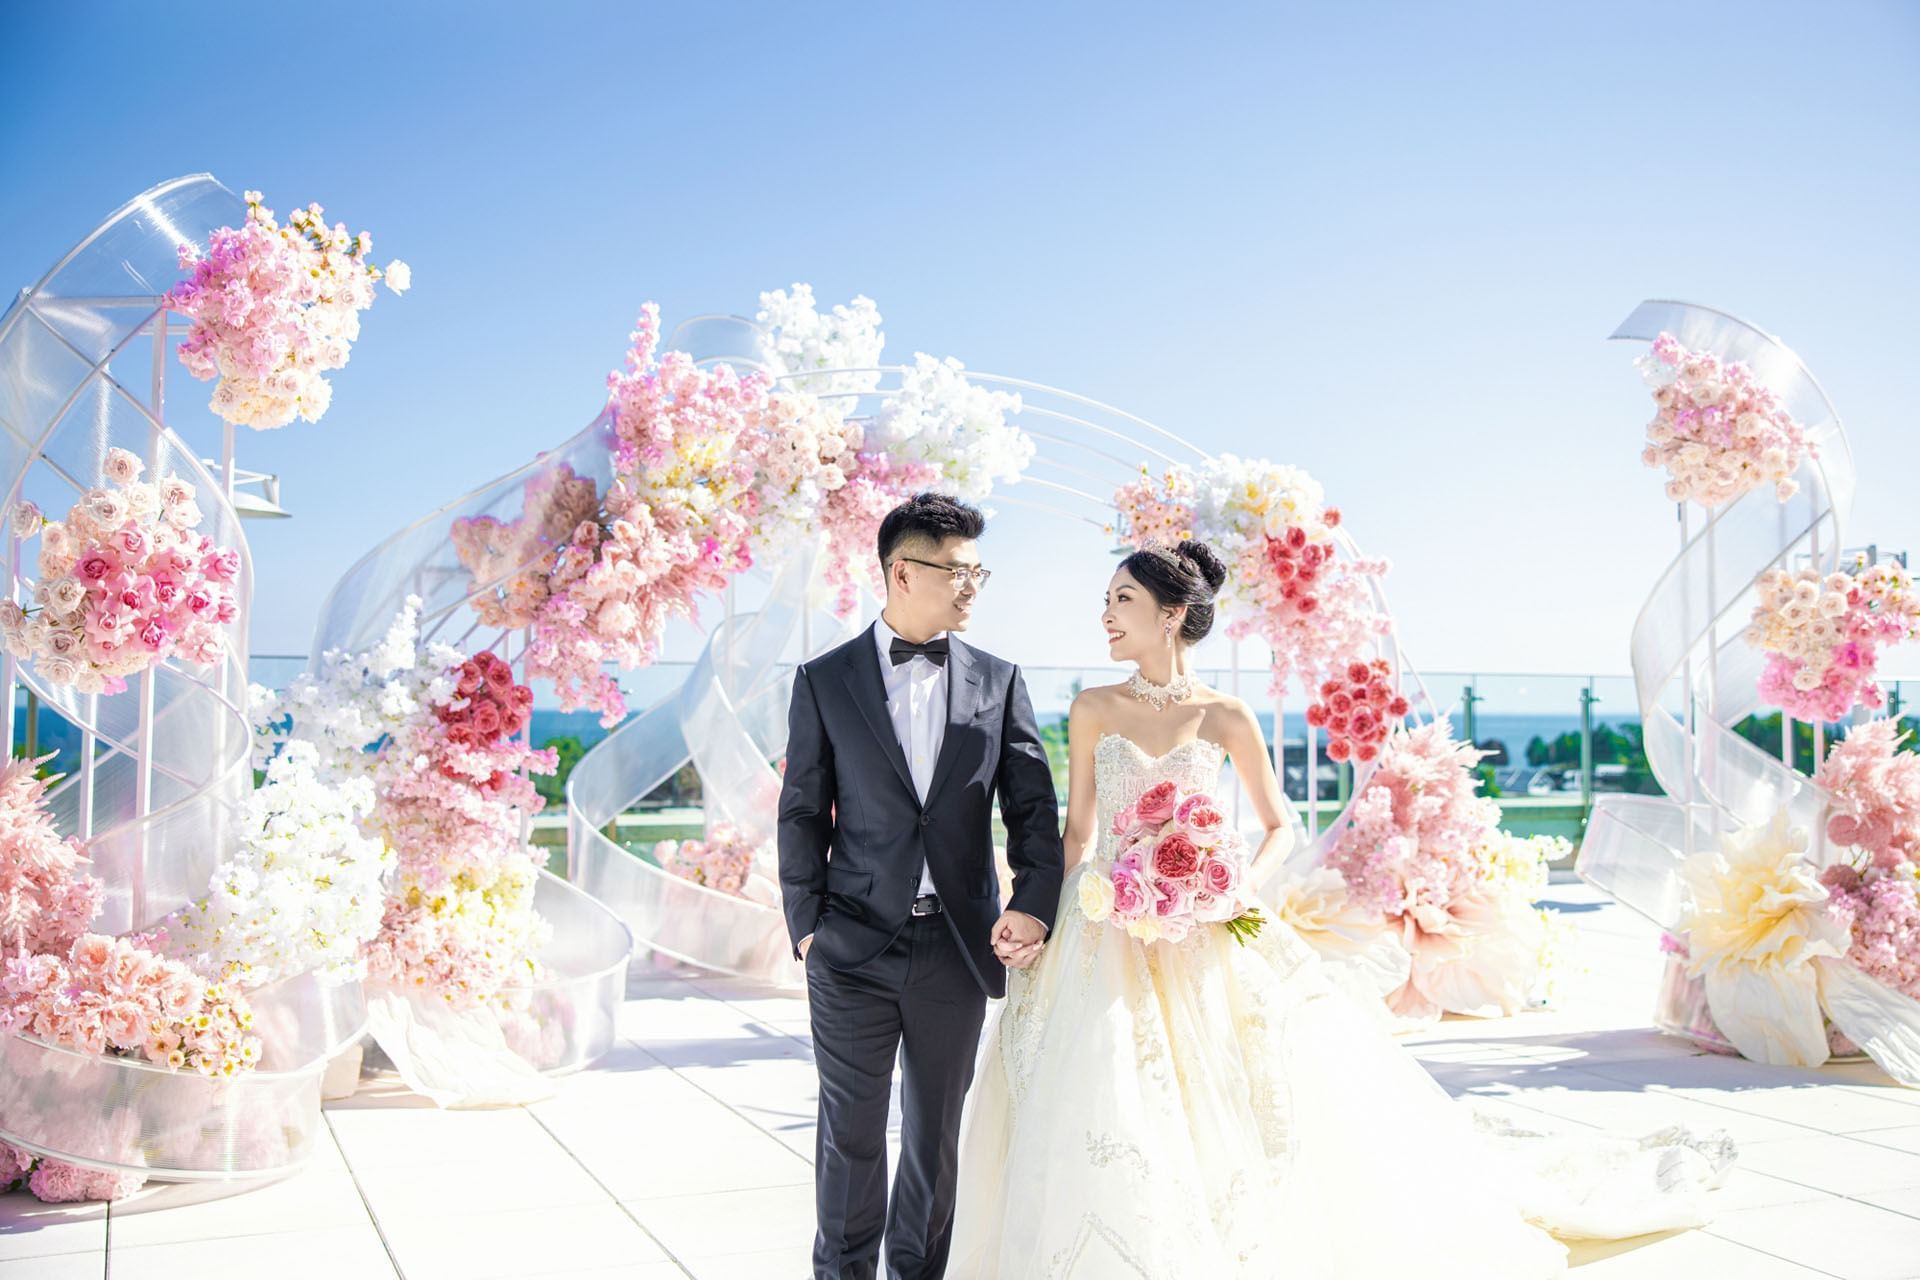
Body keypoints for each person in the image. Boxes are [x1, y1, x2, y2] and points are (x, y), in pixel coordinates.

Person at [948, 539, 1733, 1278]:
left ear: (1172, 614)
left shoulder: (1225, 716)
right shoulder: (1093, 707)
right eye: (1107, 600)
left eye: (1121, 599)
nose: (1106, 615)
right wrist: (1045, 913)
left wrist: (1233, 884)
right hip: (1110, 921)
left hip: (1207, 924)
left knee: (1228, 1082)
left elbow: (1280, 826)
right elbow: (1077, 829)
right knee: (1109, 1079)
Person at [779, 491, 1064, 1280]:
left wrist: (1033, 905)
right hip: (851, 945)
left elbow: (1035, 810)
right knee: (851, 1135)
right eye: (959, 571)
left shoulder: (1000, 680)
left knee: (935, 1141)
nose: (973, 586)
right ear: (902, 571)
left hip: (957, 949)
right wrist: (807, 924)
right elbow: (802, 809)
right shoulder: (824, 680)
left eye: (980, 573)